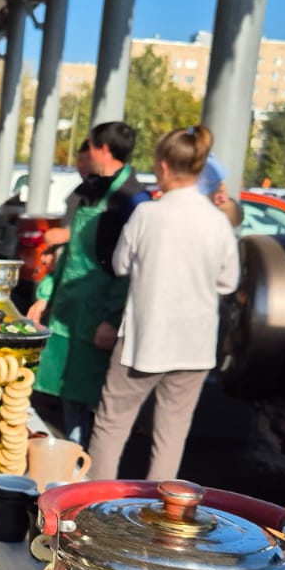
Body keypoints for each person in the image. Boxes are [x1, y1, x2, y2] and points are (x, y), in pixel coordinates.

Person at [86, 125, 238, 482]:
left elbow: (121, 265)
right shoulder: (217, 223)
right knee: (170, 439)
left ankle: (90, 518)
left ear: (165, 166)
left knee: (111, 428)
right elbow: (228, 281)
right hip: (195, 347)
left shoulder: (147, 215)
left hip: (145, 340)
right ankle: (158, 527)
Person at [31, 122, 147, 444]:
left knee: (96, 405)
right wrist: (46, 295)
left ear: (104, 150)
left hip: (99, 312)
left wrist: (112, 319)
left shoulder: (132, 200)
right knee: (67, 396)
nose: (87, 154)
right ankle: (67, 456)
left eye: (91, 147)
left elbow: (131, 268)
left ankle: (82, 472)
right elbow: (70, 254)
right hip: (69, 306)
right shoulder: (90, 190)